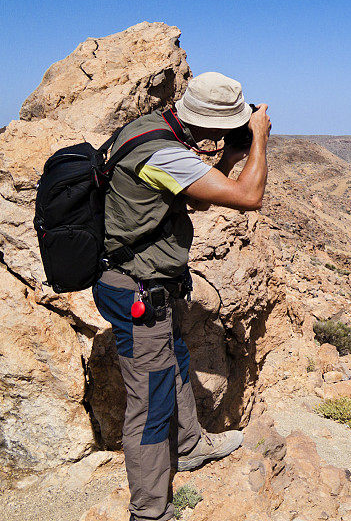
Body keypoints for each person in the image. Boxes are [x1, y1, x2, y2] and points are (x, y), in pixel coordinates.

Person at [92, 71, 271, 521]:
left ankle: (189, 444)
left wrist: (227, 155)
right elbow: (248, 197)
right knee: (150, 403)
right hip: (135, 290)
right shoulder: (164, 155)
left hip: (148, 286)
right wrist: (259, 140)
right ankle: (150, 511)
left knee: (175, 363)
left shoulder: (155, 125)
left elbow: (200, 198)